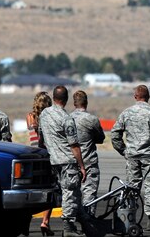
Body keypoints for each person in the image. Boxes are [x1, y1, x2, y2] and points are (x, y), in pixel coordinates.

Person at [111, 84, 150, 231]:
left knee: (132, 188)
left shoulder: (126, 113)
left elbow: (114, 134)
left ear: (135, 97)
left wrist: (124, 151)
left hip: (132, 156)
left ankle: (130, 219)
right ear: (148, 97)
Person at [39, 85, 88, 237]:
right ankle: (68, 227)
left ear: (53, 98)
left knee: (57, 192)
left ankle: (79, 220)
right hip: (67, 161)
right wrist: (81, 166)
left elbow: (41, 138)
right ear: (66, 100)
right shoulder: (67, 119)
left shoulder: (44, 114)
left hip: (52, 160)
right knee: (70, 192)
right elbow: (74, 145)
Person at [70, 90, 105, 217]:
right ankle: (88, 221)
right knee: (89, 194)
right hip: (88, 161)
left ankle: (70, 221)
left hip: (71, 161)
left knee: (71, 194)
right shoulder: (92, 119)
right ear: (86, 103)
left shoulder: (67, 119)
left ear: (74, 103)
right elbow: (101, 138)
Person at [27, 91, 55, 236]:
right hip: (46, 155)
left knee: (31, 190)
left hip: (32, 155)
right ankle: (45, 221)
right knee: (50, 190)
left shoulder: (30, 117)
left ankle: (26, 222)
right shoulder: (49, 118)